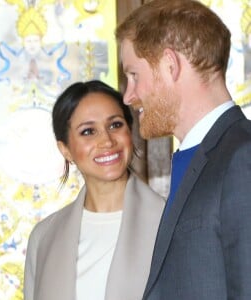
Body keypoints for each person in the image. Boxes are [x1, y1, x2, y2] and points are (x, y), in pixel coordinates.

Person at [116, 0, 251, 299]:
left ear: (169, 65)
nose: (128, 96)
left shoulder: (243, 157)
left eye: (134, 75)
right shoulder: (200, 157)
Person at [23, 80, 164, 300]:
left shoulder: (170, 222)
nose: (107, 140)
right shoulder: (43, 238)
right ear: (66, 149)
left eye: (115, 125)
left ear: (130, 131)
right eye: (88, 131)